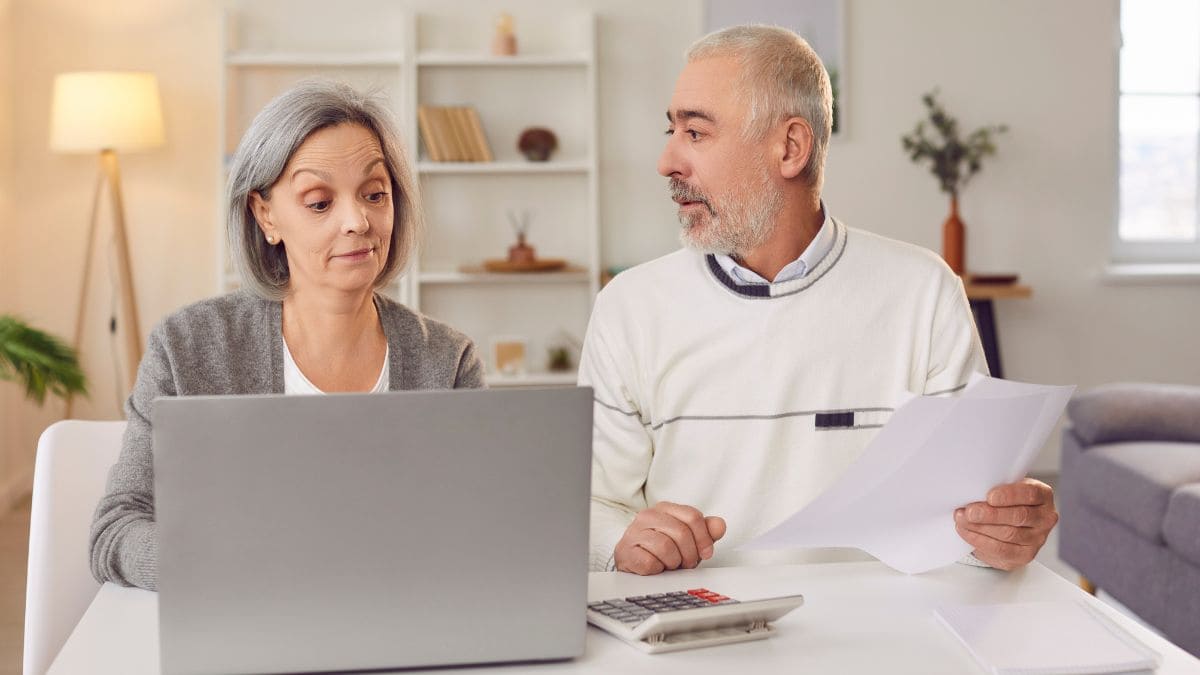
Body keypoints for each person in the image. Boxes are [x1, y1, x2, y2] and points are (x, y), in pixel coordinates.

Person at [580, 25, 1057, 575]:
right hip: (693, 637)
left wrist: (1005, 532)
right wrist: (620, 542)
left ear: (790, 148)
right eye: (673, 130)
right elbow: (592, 505)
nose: (667, 160)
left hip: (881, 641)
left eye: (695, 133)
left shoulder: (924, 292)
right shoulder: (630, 307)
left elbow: (973, 522)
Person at [90, 80, 484, 591]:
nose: (357, 221)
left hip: (401, 621)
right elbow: (116, 528)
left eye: (374, 194)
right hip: (243, 628)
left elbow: (479, 524)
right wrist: (210, 565)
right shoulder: (186, 348)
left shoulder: (449, 360)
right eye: (320, 203)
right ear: (265, 214)